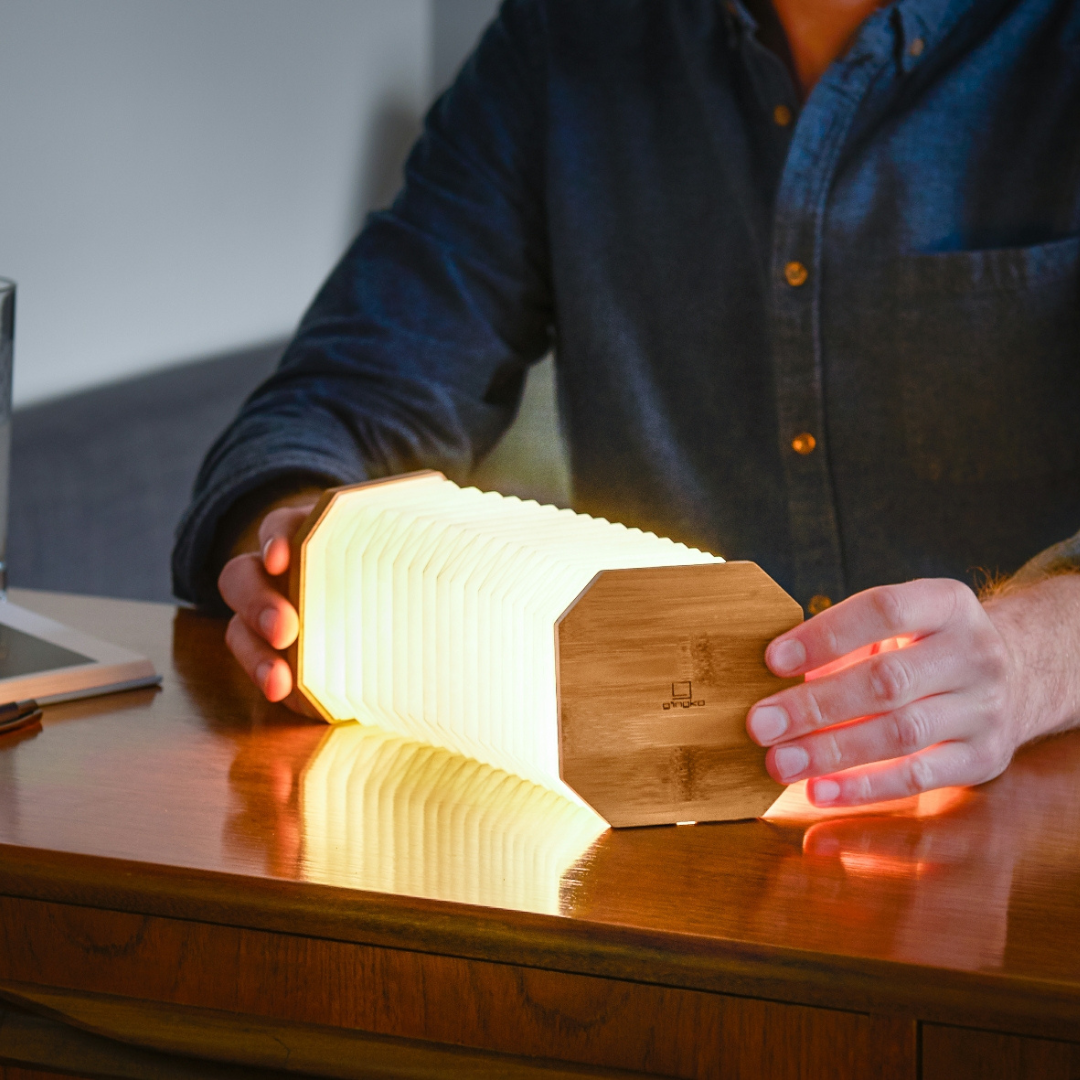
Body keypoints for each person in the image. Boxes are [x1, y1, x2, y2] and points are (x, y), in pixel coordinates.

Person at [173, 0, 1080, 808]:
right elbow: (345, 394)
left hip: (1022, 849)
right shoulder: (564, 40)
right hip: (644, 850)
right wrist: (287, 543)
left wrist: (1029, 661)